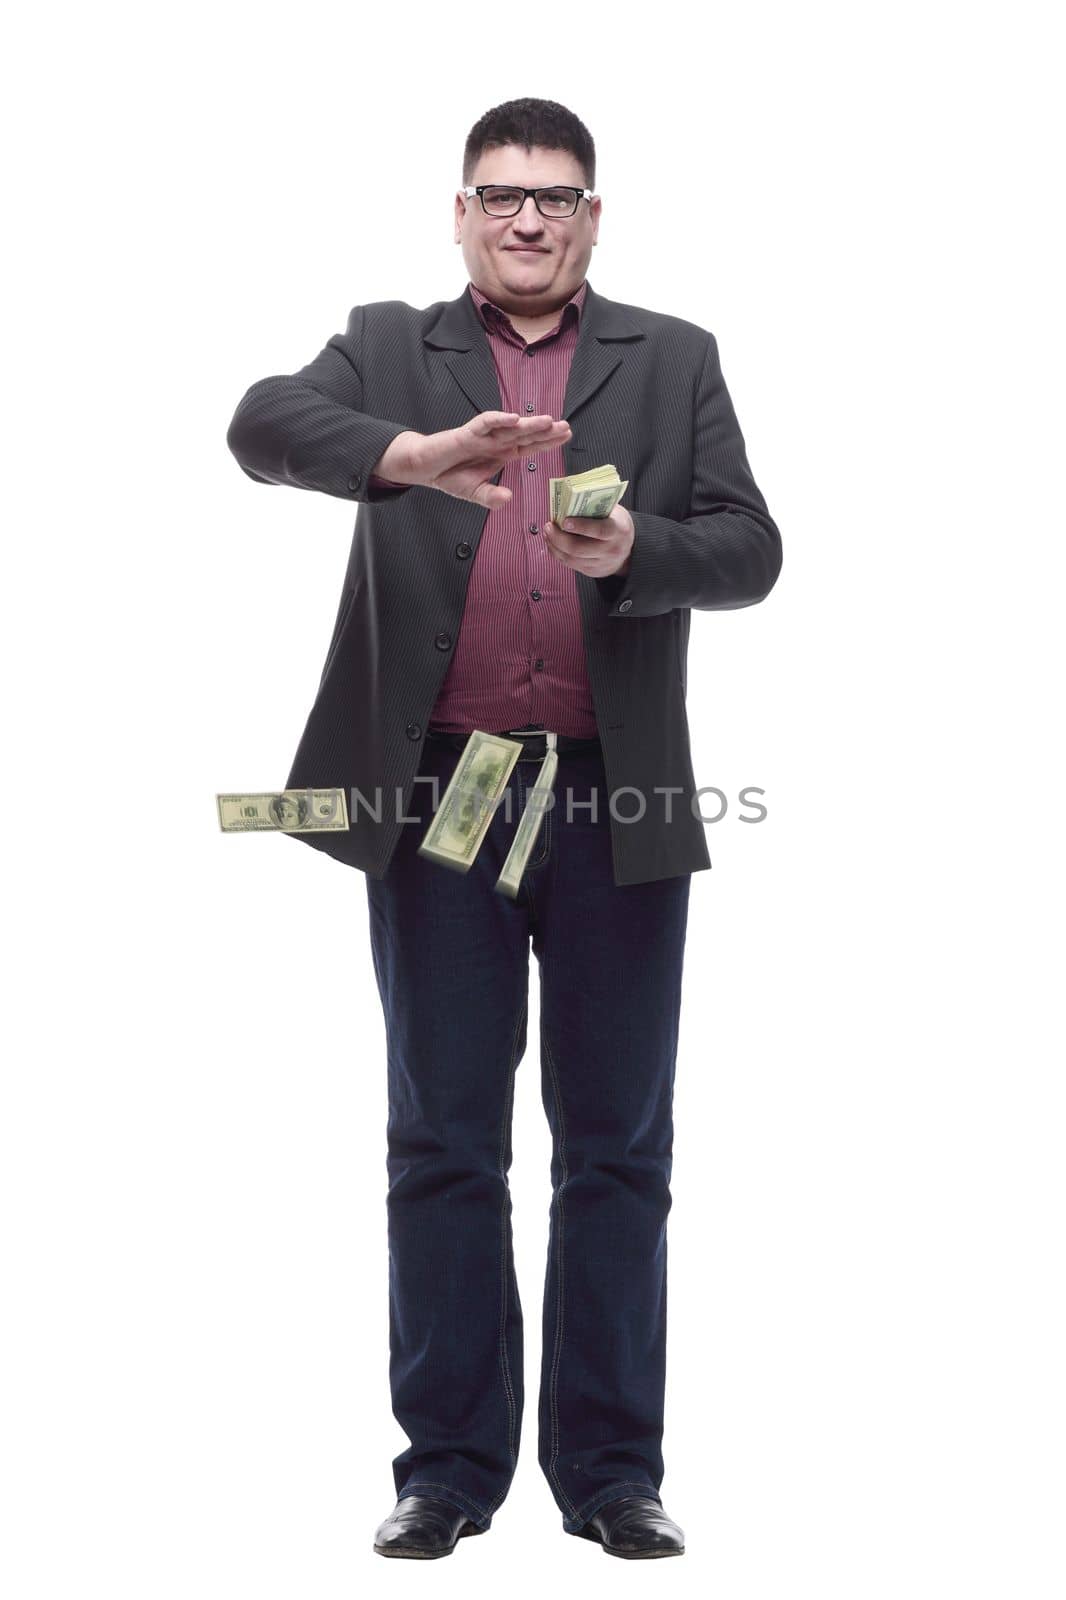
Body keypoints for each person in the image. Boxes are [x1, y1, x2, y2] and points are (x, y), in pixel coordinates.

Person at [226, 96, 782, 1561]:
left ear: (591, 218)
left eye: (555, 197)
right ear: (459, 212)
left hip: (616, 798)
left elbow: (750, 549)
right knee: (442, 1143)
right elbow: (260, 426)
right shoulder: (385, 345)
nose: (526, 218)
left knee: (614, 1148)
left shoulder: (672, 360)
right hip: (440, 802)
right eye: (499, 194)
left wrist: (639, 550)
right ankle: (448, 1469)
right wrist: (410, 456)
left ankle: (609, 1473)